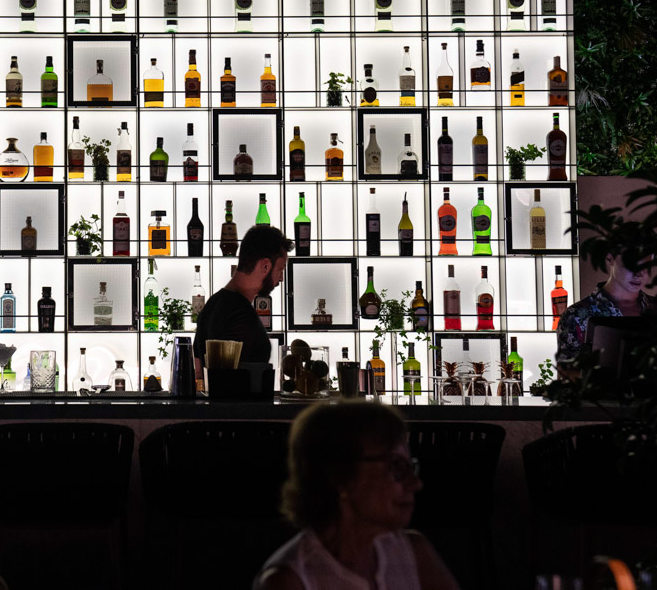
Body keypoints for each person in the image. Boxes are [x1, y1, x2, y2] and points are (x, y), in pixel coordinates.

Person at [255, 401, 459, 590]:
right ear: (340, 476)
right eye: (396, 467)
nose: (416, 483)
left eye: (410, 467)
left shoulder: (413, 552)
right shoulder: (290, 580)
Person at [193, 224, 292, 385]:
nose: (281, 278)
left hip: (216, 409)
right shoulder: (240, 313)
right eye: (280, 270)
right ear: (265, 265)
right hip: (243, 410)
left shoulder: (213, 304)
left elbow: (198, 370)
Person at [556, 249, 657, 373]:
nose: (639, 274)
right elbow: (567, 376)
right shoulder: (576, 316)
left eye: (645, 266)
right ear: (610, 258)